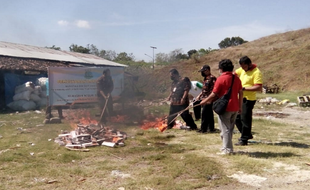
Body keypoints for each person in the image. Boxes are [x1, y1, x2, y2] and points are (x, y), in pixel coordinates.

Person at [200, 59, 243, 154]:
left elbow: (214, 94)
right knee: (230, 129)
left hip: (225, 107)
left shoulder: (221, 79)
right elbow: (241, 93)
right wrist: (240, 107)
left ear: (221, 68)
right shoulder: (236, 78)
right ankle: (226, 147)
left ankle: (227, 150)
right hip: (235, 107)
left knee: (225, 129)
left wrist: (204, 101)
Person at [235, 56, 263, 146]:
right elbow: (234, 74)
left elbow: (258, 87)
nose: (243, 69)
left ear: (249, 64)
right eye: (241, 67)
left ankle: (244, 139)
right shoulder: (242, 69)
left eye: (244, 67)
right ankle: (247, 134)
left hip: (248, 99)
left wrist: (243, 88)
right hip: (240, 98)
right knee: (236, 118)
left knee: (245, 119)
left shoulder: (256, 72)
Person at [193, 65, 217, 133]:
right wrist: (199, 95)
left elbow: (214, 90)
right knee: (209, 114)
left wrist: (210, 99)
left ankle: (203, 129)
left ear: (207, 70)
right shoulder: (205, 78)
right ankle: (211, 128)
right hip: (204, 98)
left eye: (203, 71)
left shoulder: (212, 78)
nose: (202, 73)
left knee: (204, 114)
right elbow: (204, 89)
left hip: (209, 99)